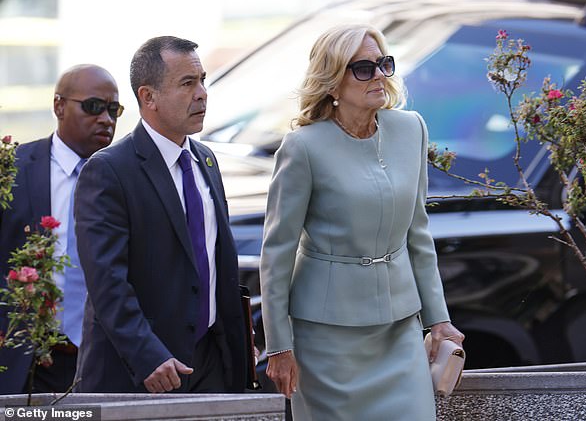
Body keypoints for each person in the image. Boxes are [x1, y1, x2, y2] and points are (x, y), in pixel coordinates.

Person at [260, 24, 465, 420]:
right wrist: (279, 346)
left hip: (401, 329)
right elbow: (277, 255)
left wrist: (439, 319)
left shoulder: (412, 129)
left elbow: (418, 234)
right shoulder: (302, 148)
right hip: (326, 340)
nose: (379, 77)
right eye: (363, 68)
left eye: (383, 64)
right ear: (332, 82)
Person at [73, 36, 248, 393]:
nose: (202, 93)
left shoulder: (207, 161)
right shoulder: (108, 170)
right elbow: (107, 281)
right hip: (142, 372)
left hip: (211, 365)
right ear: (147, 97)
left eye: (202, 80)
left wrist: (240, 346)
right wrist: (147, 355)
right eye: (187, 83)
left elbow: (219, 266)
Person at [0, 64, 121, 394]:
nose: (106, 119)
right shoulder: (13, 168)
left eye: (114, 110)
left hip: (101, 359)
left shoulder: (125, 177)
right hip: (22, 357)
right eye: (94, 106)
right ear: (59, 106)